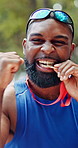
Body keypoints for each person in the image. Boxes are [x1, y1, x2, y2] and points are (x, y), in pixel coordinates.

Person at [0, 8, 78, 148]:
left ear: (71, 50)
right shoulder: (8, 99)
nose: (47, 49)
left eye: (59, 42)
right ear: (25, 46)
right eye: (37, 40)